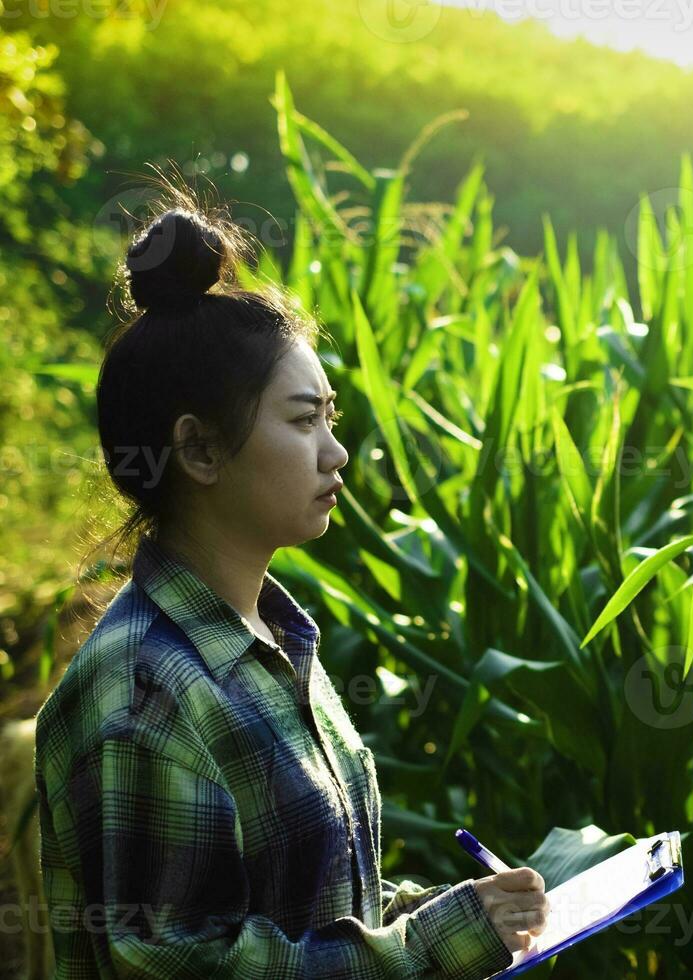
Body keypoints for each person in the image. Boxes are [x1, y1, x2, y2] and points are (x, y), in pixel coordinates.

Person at [33, 188, 548, 978]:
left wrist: (452, 914)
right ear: (201, 452)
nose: (337, 453)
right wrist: (429, 948)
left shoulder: (277, 639)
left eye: (330, 418)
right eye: (306, 421)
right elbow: (182, 962)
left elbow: (312, 903)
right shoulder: (147, 693)